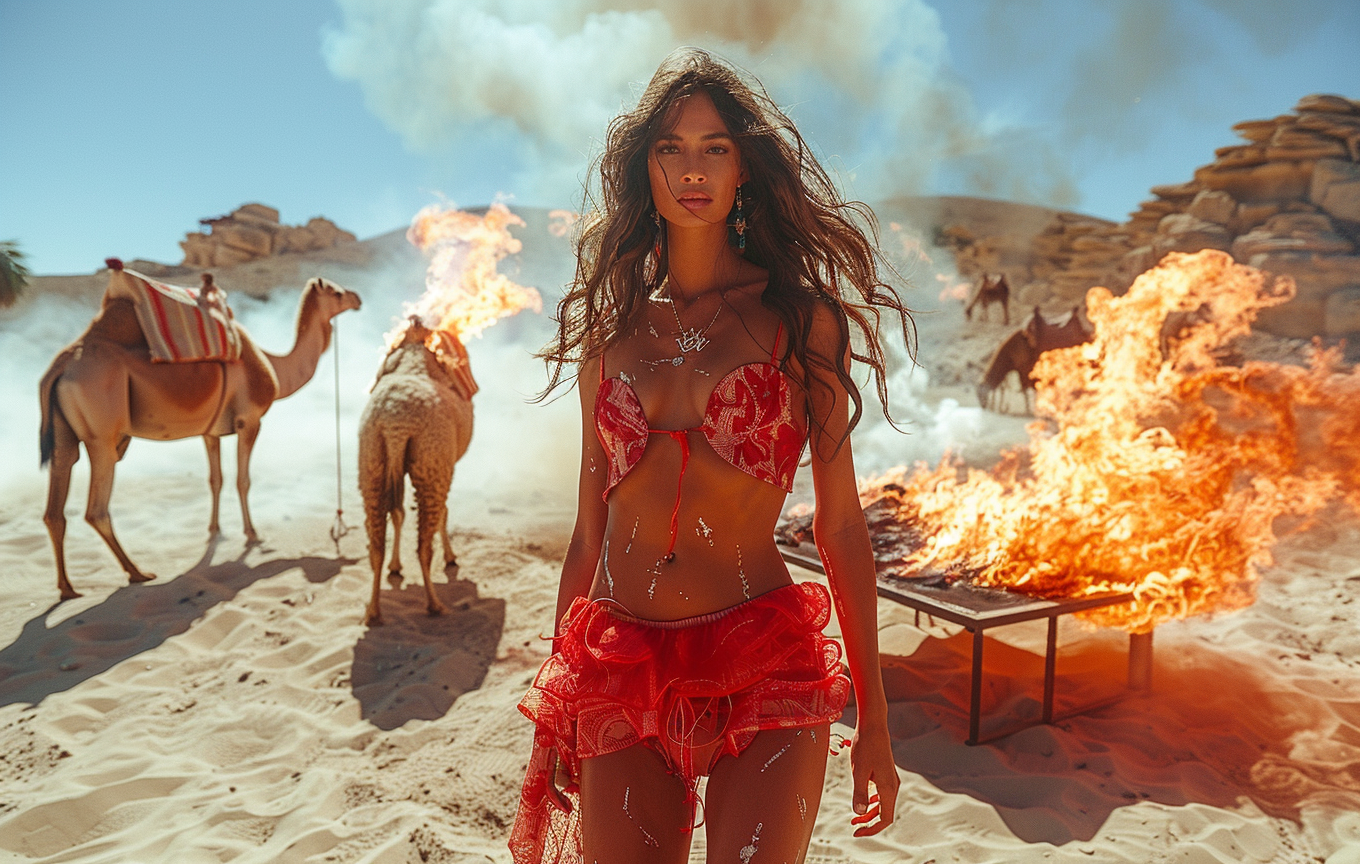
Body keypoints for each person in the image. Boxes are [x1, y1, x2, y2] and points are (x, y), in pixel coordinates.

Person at [510, 48, 915, 864]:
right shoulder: (610, 338)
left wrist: (874, 719)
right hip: (620, 660)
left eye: (715, 148)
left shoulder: (803, 323)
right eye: (671, 148)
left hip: (760, 657)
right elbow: (587, 539)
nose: (692, 169)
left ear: (744, 173)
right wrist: (555, 717)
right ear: (645, 172)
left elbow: (840, 526)